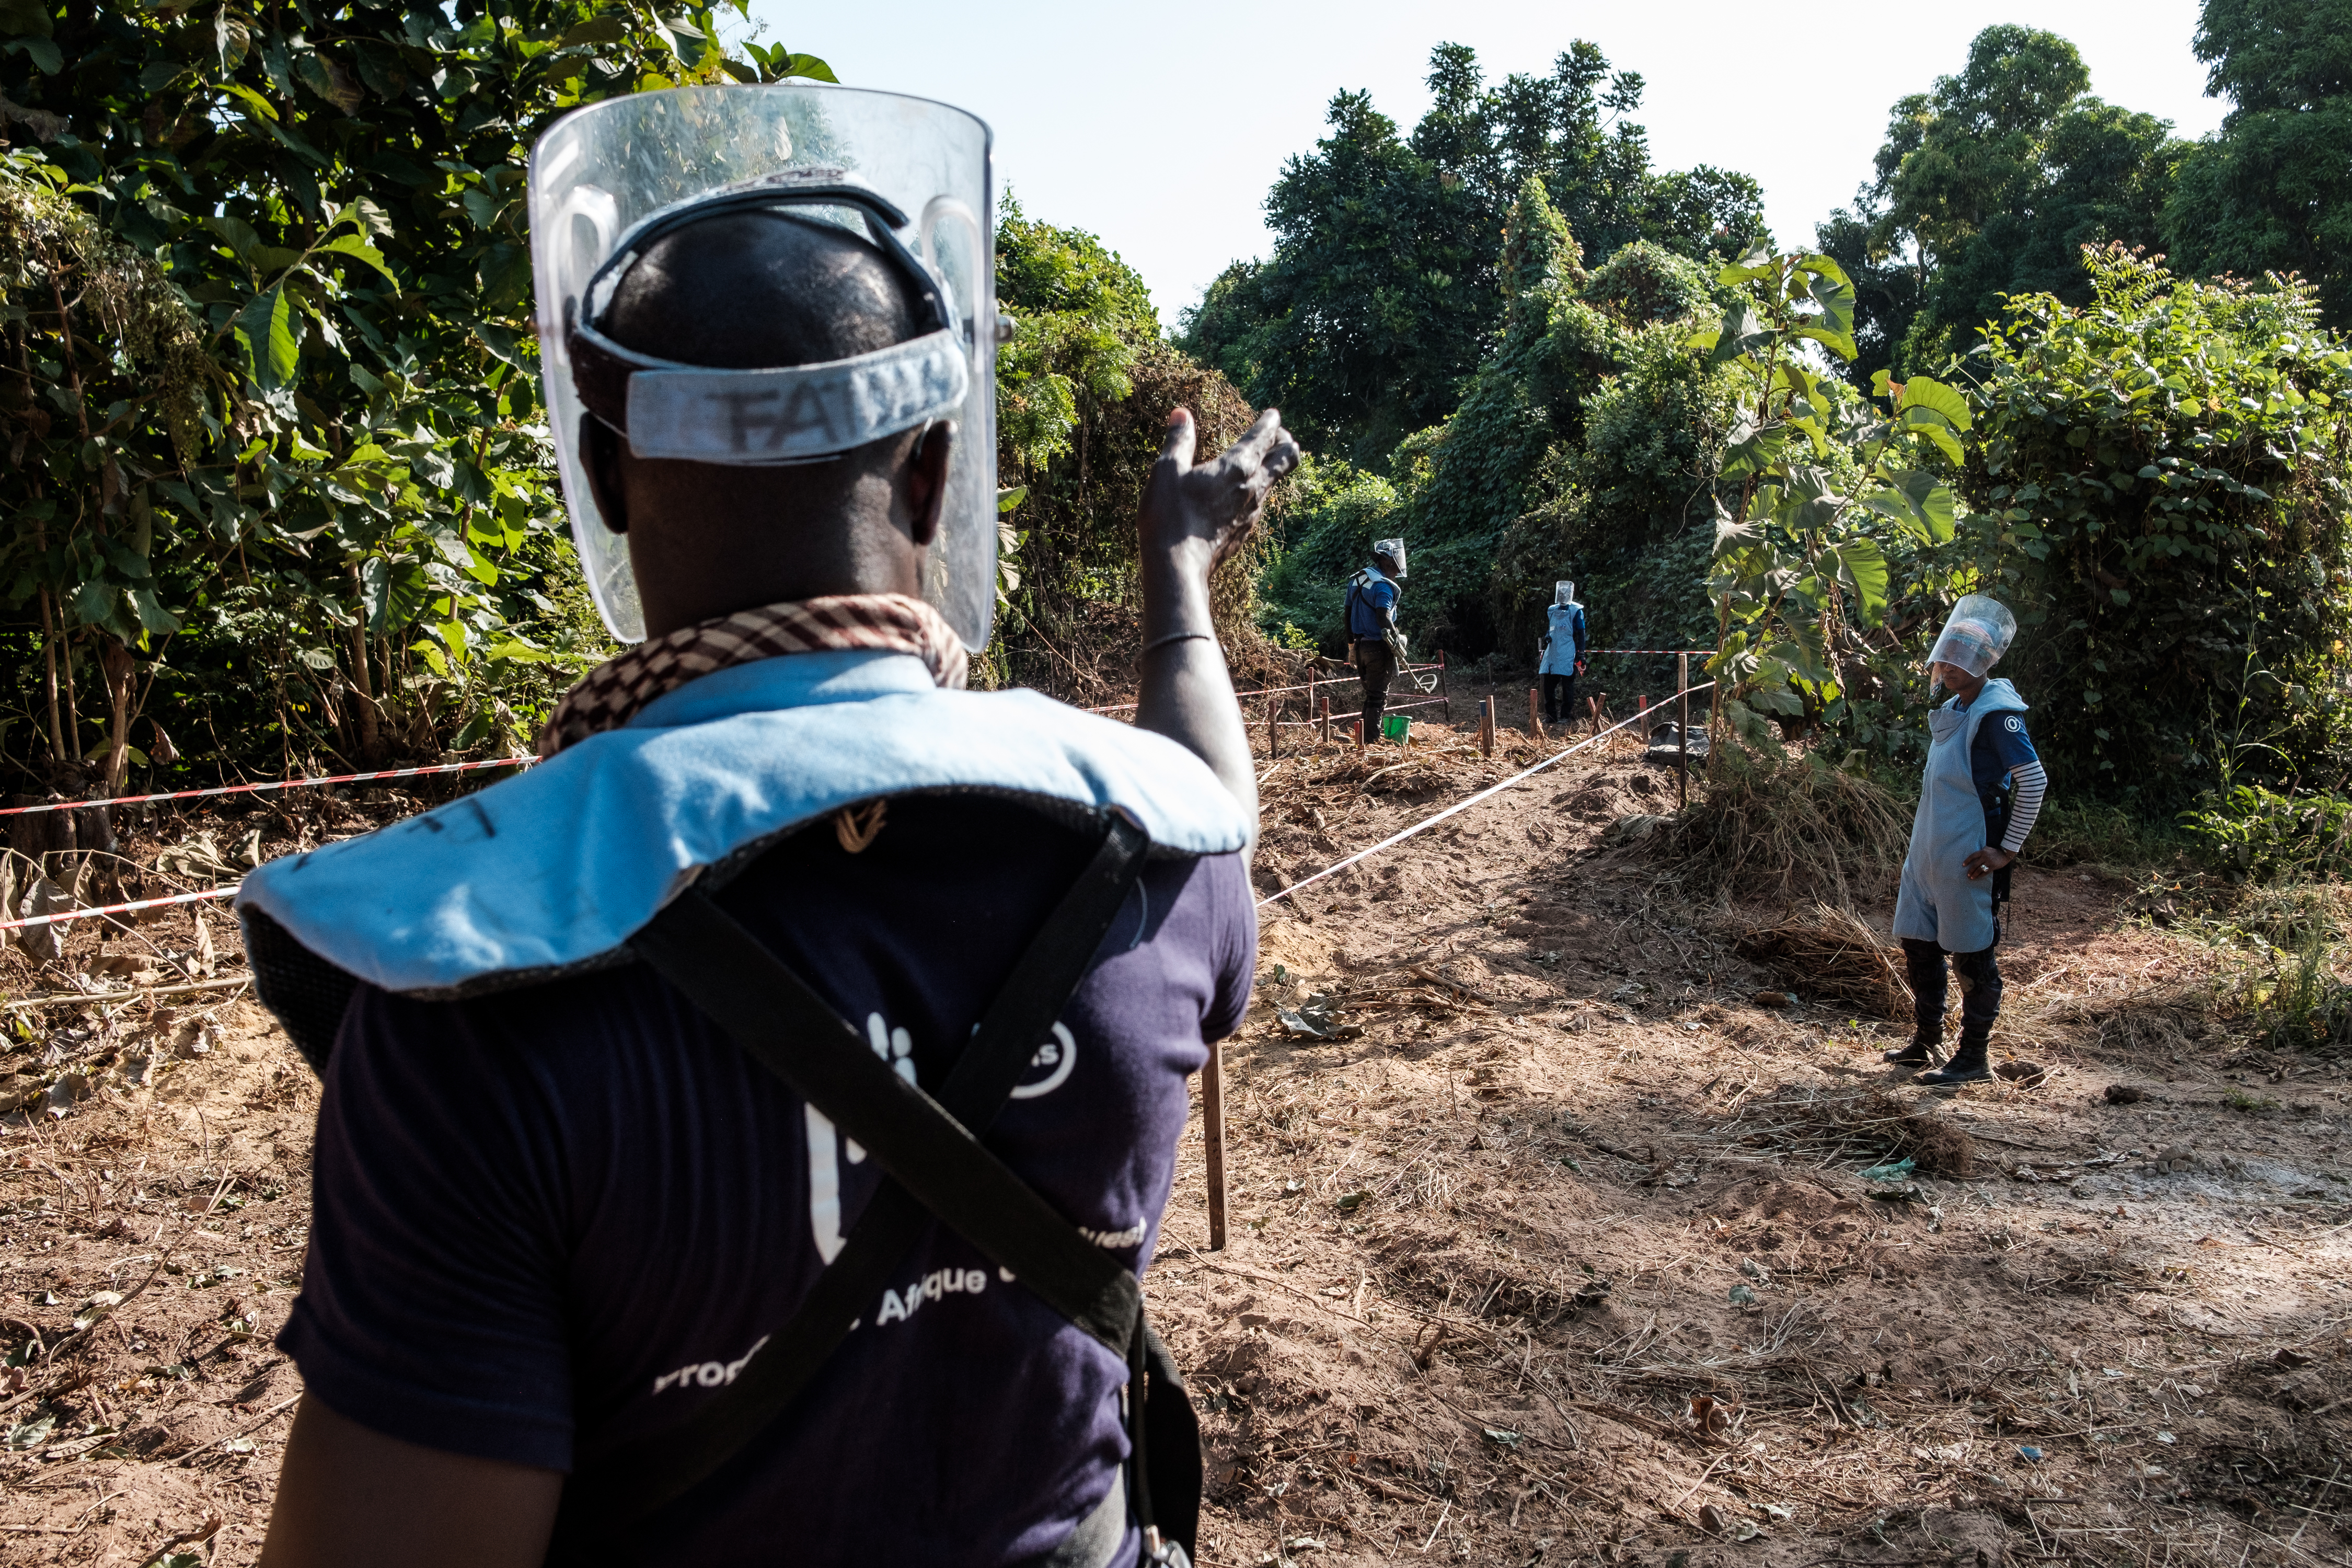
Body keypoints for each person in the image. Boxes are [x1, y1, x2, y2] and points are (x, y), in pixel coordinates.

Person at [241, 88, 1298, 1568]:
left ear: (608, 482)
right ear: (932, 472)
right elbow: (1214, 809)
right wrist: (1172, 567)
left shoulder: (459, 985)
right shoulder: (1155, 868)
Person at [1885, 594, 2047, 1086]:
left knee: (1972, 953)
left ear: (1984, 661)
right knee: (1918, 941)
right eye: (1947, 654)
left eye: (1963, 658)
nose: (1951, 665)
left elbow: (2033, 780)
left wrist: (2007, 850)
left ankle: (1973, 1057)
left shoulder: (1998, 714)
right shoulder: (1957, 705)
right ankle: (1926, 1040)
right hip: (1930, 848)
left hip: (1970, 855)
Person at [1344, 538, 1407, 744]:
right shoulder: (1383, 587)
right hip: (1378, 649)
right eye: (1396, 568)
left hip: (1361, 647)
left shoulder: (1358, 580)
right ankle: (1371, 742)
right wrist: (1397, 639)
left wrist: (1351, 646)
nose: (1397, 573)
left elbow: (1347, 614)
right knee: (1378, 698)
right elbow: (1383, 616)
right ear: (1388, 563)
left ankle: (1363, 739)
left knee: (1371, 695)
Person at [1537, 580, 1587, 727]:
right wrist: (1547, 635)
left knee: (1567, 686)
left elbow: (1581, 634)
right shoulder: (1552, 609)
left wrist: (1581, 654)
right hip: (1553, 651)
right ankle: (1551, 715)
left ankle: (1566, 715)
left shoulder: (1576, 611)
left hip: (1568, 652)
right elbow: (1552, 627)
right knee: (1548, 686)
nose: (1563, 594)